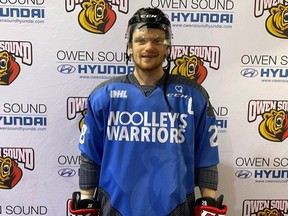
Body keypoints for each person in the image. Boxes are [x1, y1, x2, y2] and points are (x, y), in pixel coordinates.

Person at [69, 7, 227, 216]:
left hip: (176, 209)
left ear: (168, 47)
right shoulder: (104, 96)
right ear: (130, 46)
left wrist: (209, 200)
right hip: (115, 208)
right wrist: (86, 199)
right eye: (141, 40)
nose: (149, 47)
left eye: (158, 40)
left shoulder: (194, 96)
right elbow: (90, 155)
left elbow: (207, 157)